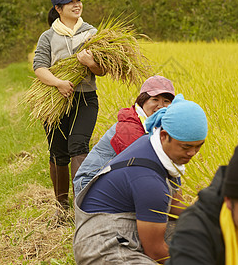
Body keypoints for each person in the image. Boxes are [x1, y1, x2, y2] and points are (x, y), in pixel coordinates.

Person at [73, 94, 208, 264]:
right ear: (164, 136)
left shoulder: (159, 150)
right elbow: (157, 252)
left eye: (198, 146)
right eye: (186, 146)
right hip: (102, 246)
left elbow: (174, 204)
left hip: (127, 228)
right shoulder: (148, 181)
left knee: (201, 236)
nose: (192, 153)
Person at [32, 0, 105, 212]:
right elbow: (39, 67)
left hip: (85, 99)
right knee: (58, 151)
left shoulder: (91, 33)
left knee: (79, 144)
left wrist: (89, 63)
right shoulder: (48, 36)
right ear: (58, 8)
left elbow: (102, 70)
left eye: (79, 1)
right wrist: (59, 83)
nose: (77, 5)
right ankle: (61, 206)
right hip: (55, 100)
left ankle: (81, 205)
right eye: (70, 2)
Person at [73, 75, 175, 195]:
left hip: (107, 179)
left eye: (166, 101)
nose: (161, 106)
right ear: (142, 101)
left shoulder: (153, 125)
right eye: (155, 99)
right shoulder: (131, 126)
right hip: (89, 184)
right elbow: (139, 167)